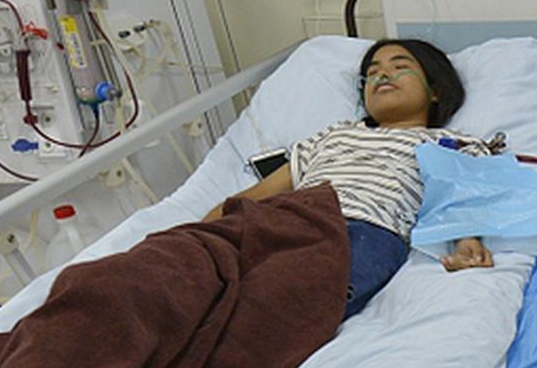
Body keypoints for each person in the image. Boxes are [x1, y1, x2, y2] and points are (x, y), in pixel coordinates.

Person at [210, 38, 497, 317]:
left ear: (435, 90)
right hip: (290, 217)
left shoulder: (449, 143)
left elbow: (463, 196)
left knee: (291, 299)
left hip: (364, 229)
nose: (383, 74)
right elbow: (253, 197)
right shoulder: (335, 134)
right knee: (187, 272)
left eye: (400, 67)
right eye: (372, 73)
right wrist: (204, 233)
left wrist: (466, 242)